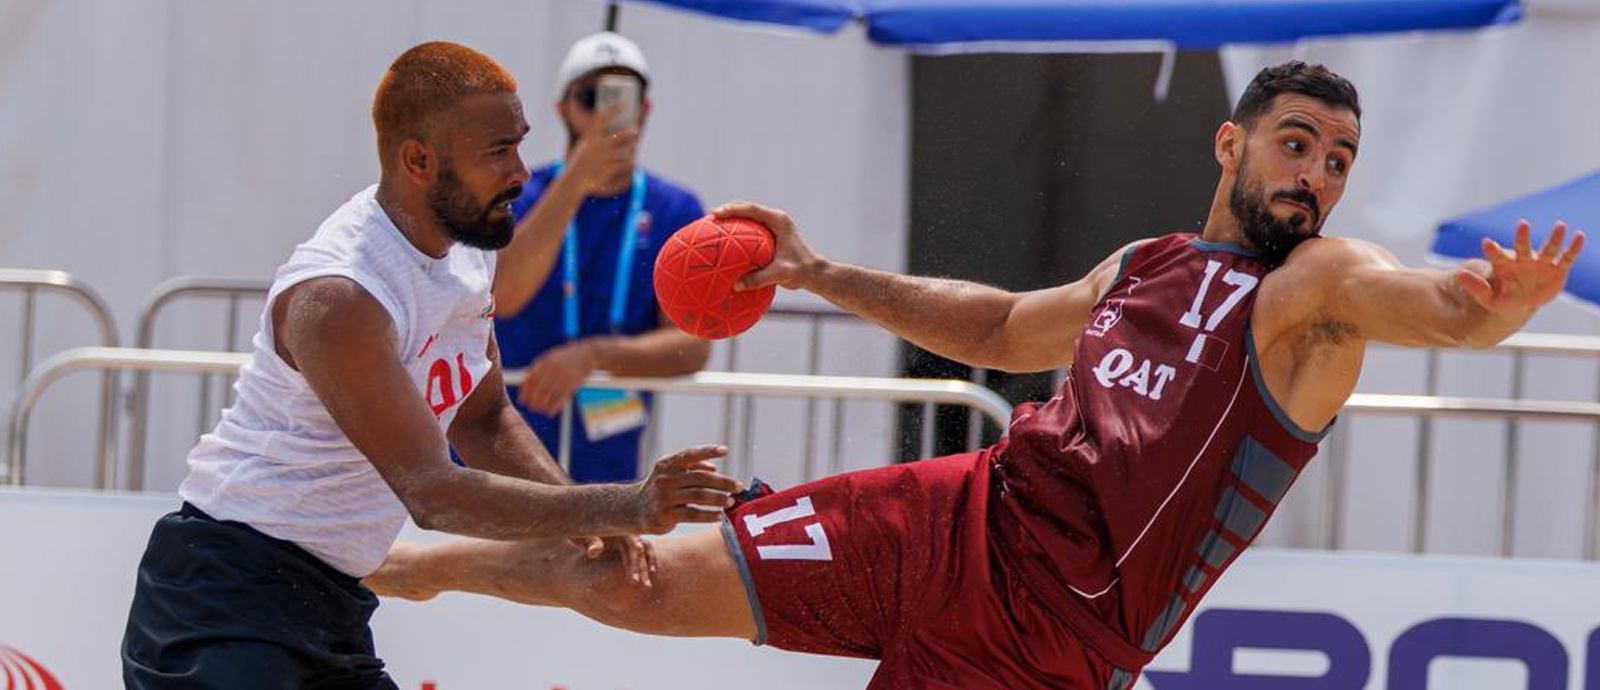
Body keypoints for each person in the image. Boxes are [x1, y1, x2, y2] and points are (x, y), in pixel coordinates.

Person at [363, 62, 1585, 689]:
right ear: (1232, 144)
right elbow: (1001, 326)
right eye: (1296, 144)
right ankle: (397, 563)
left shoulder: (1315, 287)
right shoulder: (1147, 264)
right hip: (955, 516)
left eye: (1338, 159)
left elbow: (1433, 309)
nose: (1315, 174)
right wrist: (819, 271)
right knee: (631, 581)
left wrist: (1490, 307)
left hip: (1049, 641)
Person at [120, 42, 738, 689]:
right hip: (223, 595)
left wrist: (596, 520)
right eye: (497, 152)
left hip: (327, 599)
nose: (520, 172)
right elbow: (432, 493)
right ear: (418, 160)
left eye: (520, 145)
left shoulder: (469, 251)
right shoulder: (341, 294)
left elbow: (485, 418)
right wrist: (618, 505)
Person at [493, 31, 710, 482]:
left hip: (607, 462)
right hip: (503, 451)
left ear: (645, 109)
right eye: (591, 97)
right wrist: (576, 181)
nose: (605, 112)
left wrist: (593, 356)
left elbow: (692, 346)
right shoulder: (519, 193)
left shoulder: (676, 208)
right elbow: (505, 295)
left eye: (623, 97)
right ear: (562, 108)